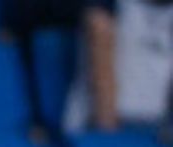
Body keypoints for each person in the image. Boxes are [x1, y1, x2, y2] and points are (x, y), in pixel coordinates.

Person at [65, 0, 173, 132]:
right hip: (104, 126)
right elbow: (100, 62)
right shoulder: (102, 8)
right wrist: (108, 129)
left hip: (158, 129)